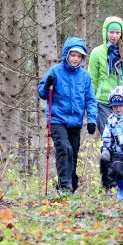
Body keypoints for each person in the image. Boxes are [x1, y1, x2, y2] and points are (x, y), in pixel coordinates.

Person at [88, 17, 123, 189]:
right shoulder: (97, 53)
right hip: (104, 103)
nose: (114, 35)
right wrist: (91, 103)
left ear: (122, 33)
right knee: (109, 144)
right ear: (105, 32)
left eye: (117, 32)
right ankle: (109, 184)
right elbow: (92, 80)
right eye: (111, 32)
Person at [38, 37, 98, 193]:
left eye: (79, 56)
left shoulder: (85, 77)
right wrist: (47, 84)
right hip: (57, 119)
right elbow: (42, 94)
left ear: (83, 58)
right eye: (73, 55)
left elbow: (91, 99)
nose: (75, 59)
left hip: (76, 122)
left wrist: (91, 119)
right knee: (64, 149)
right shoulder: (55, 71)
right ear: (66, 54)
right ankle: (65, 187)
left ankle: (69, 184)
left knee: (73, 153)